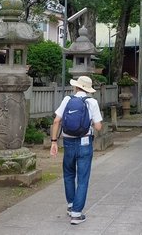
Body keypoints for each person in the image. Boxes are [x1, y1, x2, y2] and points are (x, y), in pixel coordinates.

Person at [50, 75, 103, 225]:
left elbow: (56, 120)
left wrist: (54, 142)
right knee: (83, 178)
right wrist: (91, 123)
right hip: (85, 143)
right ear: (88, 89)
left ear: (76, 87)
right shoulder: (92, 102)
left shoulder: (67, 100)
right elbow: (98, 126)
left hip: (67, 142)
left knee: (68, 174)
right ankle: (76, 214)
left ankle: (70, 205)